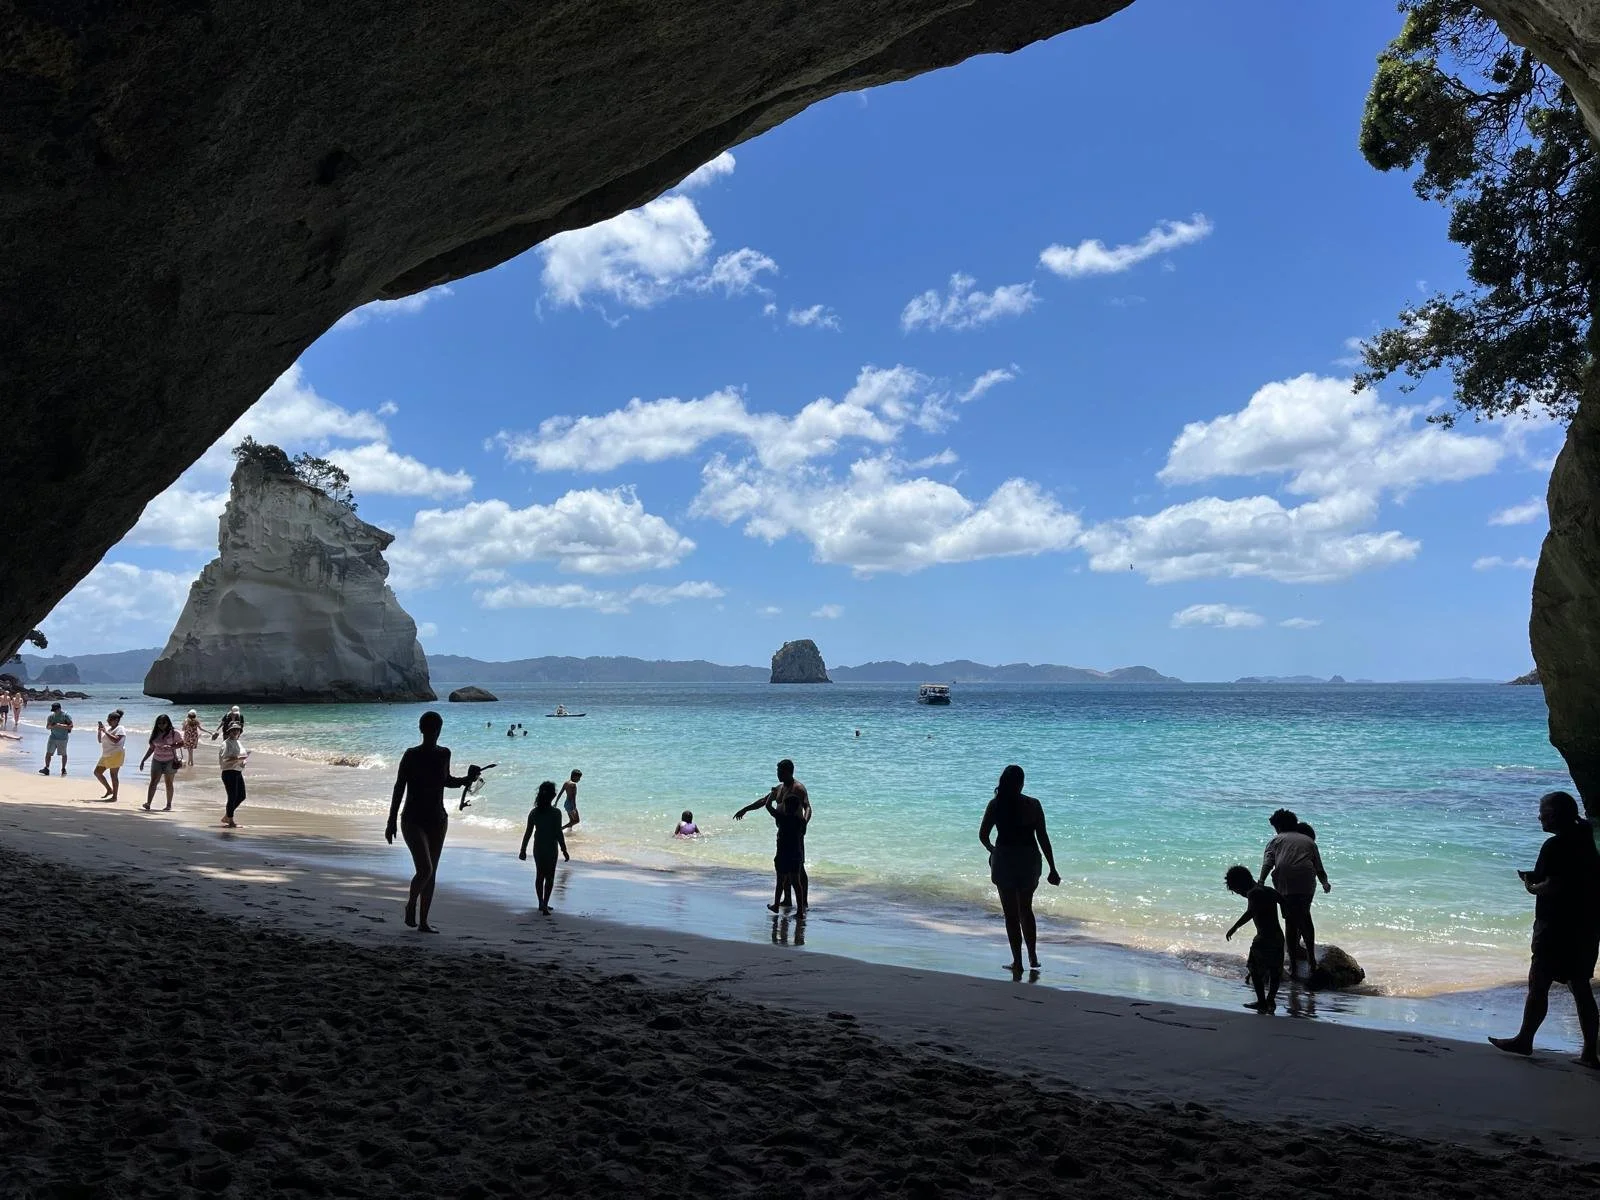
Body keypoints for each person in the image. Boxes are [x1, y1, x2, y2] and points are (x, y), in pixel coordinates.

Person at [1490, 790, 1600, 1066]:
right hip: (1586, 926)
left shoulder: (1554, 846)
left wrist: (1531, 886)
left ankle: (1525, 1040)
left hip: (1556, 927)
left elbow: (1553, 885)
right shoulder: (1587, 842)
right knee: (1581, 988)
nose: (1539, 816)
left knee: (1538, 983)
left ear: (1553, 815)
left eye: (1543, 811)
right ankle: (1589, 1053)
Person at [385, 711, 480, 933]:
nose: (432, 732)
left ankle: (424, 921)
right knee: (426, 869)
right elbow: (400, 787)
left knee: (431, 872)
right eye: (431, 728)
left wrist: (469, 779)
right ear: (432, 729)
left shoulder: (444, 754)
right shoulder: (411, 755)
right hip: (412, 819)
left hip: (437, 819)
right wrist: (391, 821)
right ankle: (411, 905)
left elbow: (447, 780)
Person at [978, 764, 1062, 974]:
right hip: (1028, 859)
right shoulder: (1032, 805)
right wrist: (1053, 867)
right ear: (1022, 783)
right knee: (1026, 909)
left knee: (1011, 915)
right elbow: (1043, 837)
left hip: (1005, 859)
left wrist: (993, 851)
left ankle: (1018, 961)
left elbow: (983, 835)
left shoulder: (995, 805)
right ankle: (1033, 955)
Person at [1258, 808, 1331, 977]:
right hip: (1306, 880)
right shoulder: (1308, 841)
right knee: (1305, 915)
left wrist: (1261, 881)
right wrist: (1325, 882)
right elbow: (1318, 866)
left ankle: (1293, 965)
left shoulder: (1275, 840)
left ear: (1279, 826)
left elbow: (1268, 862)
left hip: (1285, 881)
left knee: (1290, 921)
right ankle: (1311, 959)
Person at [735, 759, 813, 905]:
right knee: (784, 866)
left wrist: (804, 822)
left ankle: (804, 903)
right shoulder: (779, 788)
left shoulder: (798, 788)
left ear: (789, 772)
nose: (778, 774)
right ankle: (787, 899)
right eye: (777, 771)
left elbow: (807, 807)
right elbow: (764, 801)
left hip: (795, 833)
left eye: (780, 772)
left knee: (798, 868)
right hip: (782, 833)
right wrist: (745, 809)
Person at [1225, 864, 1285, 1012]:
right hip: (1278, 937)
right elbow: (1283, 900)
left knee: (1254, 969)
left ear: (1240, 885)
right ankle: (1271, 1000)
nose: (1240, 894)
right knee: (1275, 971)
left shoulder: (1253, 893)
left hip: (1264, 938)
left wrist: (1234, 927)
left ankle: (1262, 1002)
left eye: (1238, 891)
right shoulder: (1268, 890)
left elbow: (1250, 912)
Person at [518, 780, 570, 915]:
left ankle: (541, 902)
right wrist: (564, 850)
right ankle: (545, 904)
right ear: (553, 795)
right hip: (551, 848)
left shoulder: (534, 812)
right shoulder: (556, 813)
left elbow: (528, 833)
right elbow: (558, 833)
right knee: (550, 877)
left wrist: (523, 850)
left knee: (539, 875)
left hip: (538, 848)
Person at [139, 714, 183, 810]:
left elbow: (181, 743)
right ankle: (148, 803)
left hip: (170, 760)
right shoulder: (155, 733)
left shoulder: (174, 733)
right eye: (159, 723)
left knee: (169, 783)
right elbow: (151, 748)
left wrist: (171, 747)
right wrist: (143, 760)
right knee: (153, 782)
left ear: (168, 723)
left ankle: (168, 805)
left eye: (163, 723)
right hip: (157, 760)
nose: (161, 725)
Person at [219, 725, 249, 827]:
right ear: (229, 732)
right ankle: (230, 821)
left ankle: (227, 816)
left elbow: (242, 756)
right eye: (233, 730)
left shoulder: (238, 742)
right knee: (232, 797)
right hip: (228, 772)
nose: (236, 732)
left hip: (237, 771)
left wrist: (243, 760)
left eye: (237, 730)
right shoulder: (226, 744)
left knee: (242, 796)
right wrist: (237, 758)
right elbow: (225, 759)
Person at [93, 710, 126, 801]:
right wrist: (100, 731)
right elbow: (100, 740)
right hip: (106, 754)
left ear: (116, 720)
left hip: (116, 754)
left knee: (113, 775)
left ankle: (114, 797)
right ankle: (109, 789)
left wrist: (105, 732)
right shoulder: (109, 729)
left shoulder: (120, 728)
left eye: (110, 719)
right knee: (97, 772)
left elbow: (116, 740)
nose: (108, 721)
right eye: (108, 719)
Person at [39, 701, 72, 776]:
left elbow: (71, 726)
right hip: (53, 737)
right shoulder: (51, 717)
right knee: (48, 753)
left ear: (60, 709)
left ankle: (63, 769)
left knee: (63, 754)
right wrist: (52, 726)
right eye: (54, 710)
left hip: (63, 738)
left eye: (56, 710)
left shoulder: (66, 716)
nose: (55, 712)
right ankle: (46, 768)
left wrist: (60, 725)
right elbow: (47, 727)